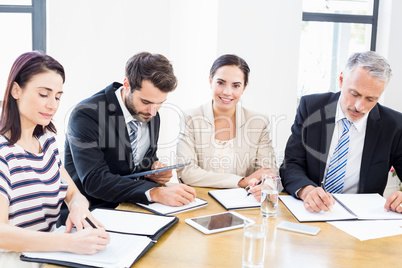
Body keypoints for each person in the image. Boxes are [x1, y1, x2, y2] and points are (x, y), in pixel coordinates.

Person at [0, 51, 110, 267]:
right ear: (15, 90)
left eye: (58, 96)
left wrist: (78, 207)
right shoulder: (4, 153)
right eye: (43, 94)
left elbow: (73, 193)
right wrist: (68, 242)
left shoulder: (47, 143)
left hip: (51, 255)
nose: (53, 105)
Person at [64, 52, 196, 212]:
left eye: (160, 103)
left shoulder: (151, 114)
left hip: (133, 206)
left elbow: (142, 161)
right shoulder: (87, 114)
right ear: (126, 85)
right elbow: (95, 180)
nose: (153, 112)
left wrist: (155, 171)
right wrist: (155, 192)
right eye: (146, 101)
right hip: (93, 212)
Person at [280, 51, 402, 213]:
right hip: (310, 211)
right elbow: (291, 164)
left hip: (362, 219)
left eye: (370, 99)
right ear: (341, 80)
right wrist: (307, 190)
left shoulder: (393, 125)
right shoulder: (311, 108)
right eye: (354, 94)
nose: (359, 106)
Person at [176, 54, 278, 200]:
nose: (227, 92)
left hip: (243, 202)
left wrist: (263, 184)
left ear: (244, 88)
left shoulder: (258, 122)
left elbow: (268, 171)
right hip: (199, 201)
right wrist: (241, 181)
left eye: (236, 85)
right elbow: (186, 172)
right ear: (210, 81)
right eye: (221, 83)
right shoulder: (190, 118)